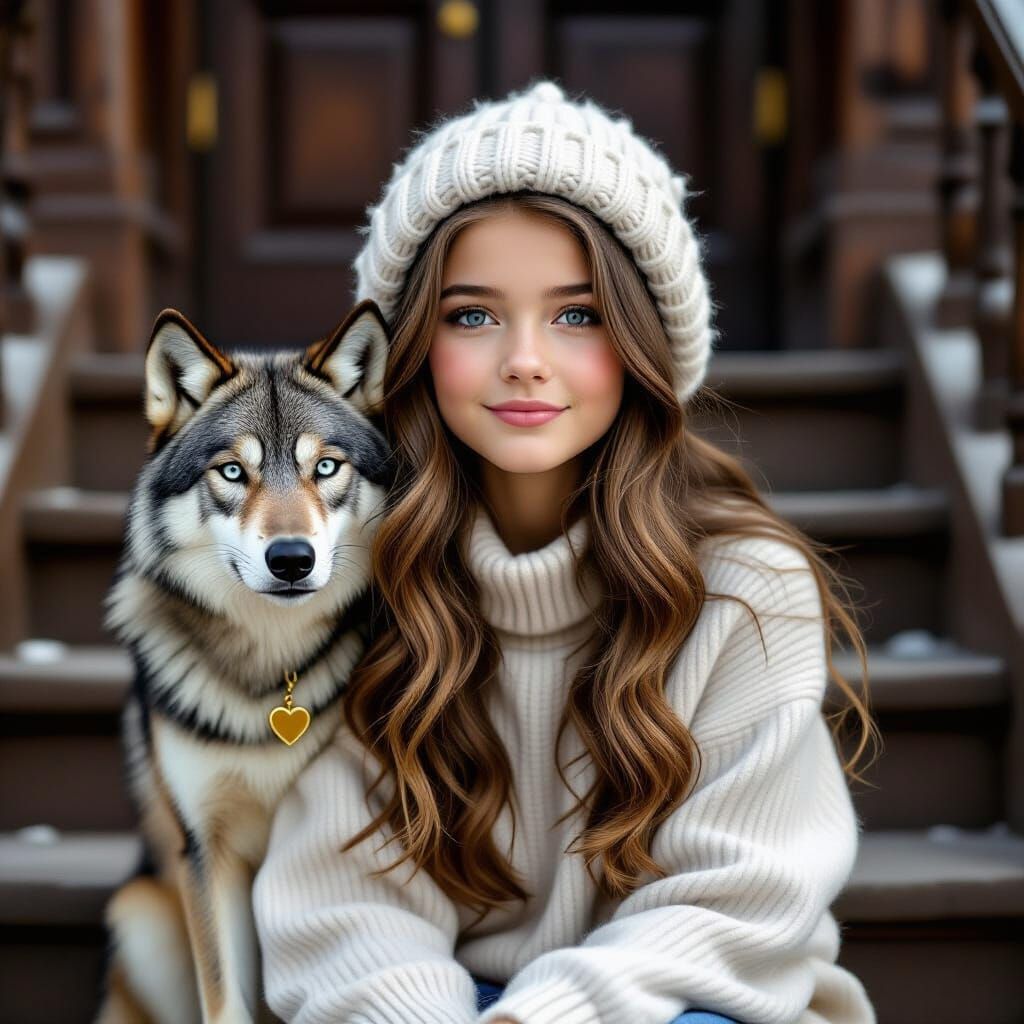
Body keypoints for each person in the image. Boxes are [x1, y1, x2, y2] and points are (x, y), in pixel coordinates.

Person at [251, 79, 880, 1024]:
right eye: (472, 315)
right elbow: (346, 908)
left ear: (644, 343)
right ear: (409, 346)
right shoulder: (355, 577)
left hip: (684, 1005)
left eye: (578, 314)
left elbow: (738, 900)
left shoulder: (744, 584)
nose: (525, 359)